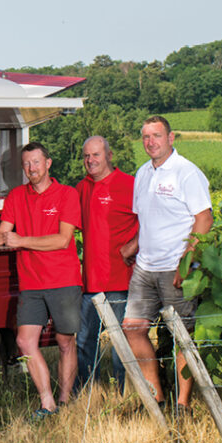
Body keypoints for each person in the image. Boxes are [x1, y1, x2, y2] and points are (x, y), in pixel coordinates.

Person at [0, 142, 82, 417]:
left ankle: (65, 401)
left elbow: (63, 239)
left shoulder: (67, 194)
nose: (31, 169)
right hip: (31, 282)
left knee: (65, 342)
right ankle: (47, 403)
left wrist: (23, 241)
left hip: (63, 279)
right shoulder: (17, 196)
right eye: (27, 164)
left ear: (48, 163)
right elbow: (3, 233)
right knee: (24, 342)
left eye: (36, 163)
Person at [122, 116, 213, 413]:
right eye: (145, 136)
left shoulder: (187, 173)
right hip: (145, 267)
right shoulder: (142, 173)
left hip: (176, 266)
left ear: (171, 137)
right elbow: (147, 219)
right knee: (132, 329)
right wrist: (134, 246)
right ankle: (157, 398)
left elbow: (204, 219)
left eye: (156, 136)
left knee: (181, 336)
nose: (151, 142)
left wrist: (186, 263)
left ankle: (183, 404)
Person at [75, 136, 138, 393]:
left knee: (119, 344)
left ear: (109, 156)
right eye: (87, 156)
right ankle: (90, 393)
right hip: (90, 282)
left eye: (96, 155)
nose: (91, 160)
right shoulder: (82, 188)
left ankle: (124, 394)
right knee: (85, 341)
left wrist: (133, 245)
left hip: (120, 280)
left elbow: (152, 221)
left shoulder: (130, 184)